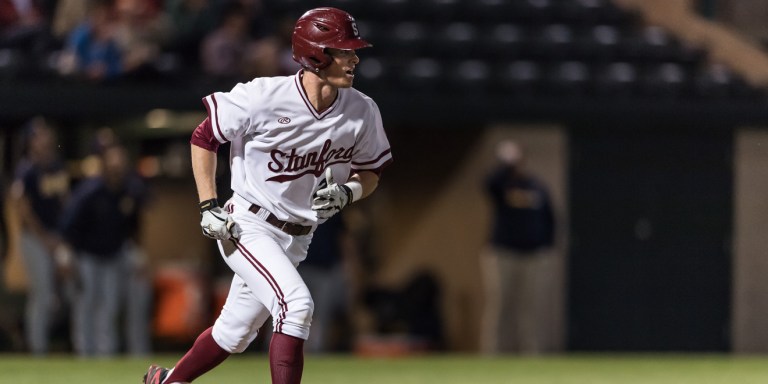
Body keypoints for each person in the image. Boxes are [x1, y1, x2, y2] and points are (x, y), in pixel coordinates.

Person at [142, 7, 392, 384]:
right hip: (248, 223)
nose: (354, 57)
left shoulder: (362, 110)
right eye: (343, 49)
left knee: (234, 333)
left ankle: (168, 381)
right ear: (316, 53)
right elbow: (203, 138)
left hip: (298, 235)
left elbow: (371, 171)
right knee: (296, 305)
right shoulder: (263, 95)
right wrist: (208, 204)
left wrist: (349, 192)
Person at [59, 143, 148, 357]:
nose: (117, 168)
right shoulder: (89, 192)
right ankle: (84, 352)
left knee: (110, 305)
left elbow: (133, 225)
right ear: (104, 165)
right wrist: (65, 256)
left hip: (114, 254)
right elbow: (68, 225)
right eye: (113, 162)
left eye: (121, 163)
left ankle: (105, 354)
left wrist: (136, 252)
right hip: (87, 255)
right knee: (87, 304)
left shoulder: (129, 190)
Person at [480, 139, 555, 355]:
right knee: (500, 305)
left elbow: (550, 219)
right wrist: (505, 164)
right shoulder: (502, 185)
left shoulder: (537, 186)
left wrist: (546, 246)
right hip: (503, 253)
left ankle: (531, 353)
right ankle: (492, 353)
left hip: (533, 255)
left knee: (531, 307)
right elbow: (488, 185)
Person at [8, 117, 70, 355]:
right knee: (42, 293)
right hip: (34, 239)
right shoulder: (27, 169)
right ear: (31, 141)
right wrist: (45, 238)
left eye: (46, 133)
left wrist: (62, 237)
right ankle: (38, 350)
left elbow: (65, 202)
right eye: (39, 134)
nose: (45, 137)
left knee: (68, 294)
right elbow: (22, 208)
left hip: (56, 237)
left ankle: (44, 339)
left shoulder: (56, 166)